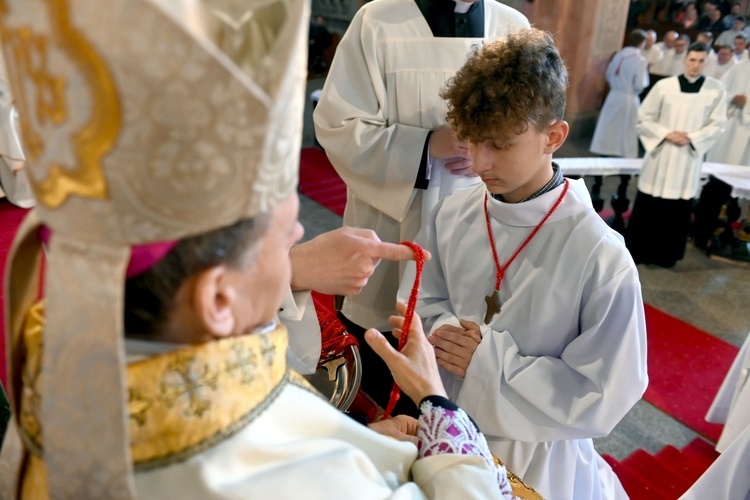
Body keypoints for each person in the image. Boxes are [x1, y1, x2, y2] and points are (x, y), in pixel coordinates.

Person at [0, 2, 520, 497]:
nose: (297, 239)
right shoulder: (303, 477)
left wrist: (363, 440)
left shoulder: (69, 361)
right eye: (283, 233)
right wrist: (437, 404)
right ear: (217, 301)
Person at [399, 28, 648, 500]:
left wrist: (489, 361)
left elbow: (606, 392)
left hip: (537, 454)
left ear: (553, 136)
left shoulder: (600, 255)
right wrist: (444, 328)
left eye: (500, 144)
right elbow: (421, 298)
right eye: (472, 141)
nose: (480, 162)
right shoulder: (453, 212)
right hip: (447, 427)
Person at [312, 0, 529, 415]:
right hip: (396, 230)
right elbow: (338, 125)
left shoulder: (512, 26)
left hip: (482, 229)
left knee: (462, 364)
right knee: (379, 387)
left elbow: (532, 126)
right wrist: (428, 144)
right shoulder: (379, 20)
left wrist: (495, 151)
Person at [626, 42, 727, 268]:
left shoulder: (716, 89)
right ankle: (640, 251)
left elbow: (718, 124)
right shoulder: (665, 86)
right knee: (650, 201)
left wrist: (692, 137)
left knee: (678, 207)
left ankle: (666, 255)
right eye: (692, 60)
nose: (695, 65)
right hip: (661, 153)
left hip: (687, 158)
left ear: (707, 62)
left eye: (701, 61)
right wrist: (666, 133)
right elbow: (644, 117)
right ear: (685, 60)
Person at [693, 59, 750, 254]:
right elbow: (718, 92)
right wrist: (734, 97)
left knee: (741, 192)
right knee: (717, 185)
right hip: (731, 134)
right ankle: (705, 233)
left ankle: (734, 233)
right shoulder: (738, 67)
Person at [590, 29, 649, 158]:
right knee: (626, 130)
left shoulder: (618, 55)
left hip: (614, 95)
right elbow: (640, 83)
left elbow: (608, 75)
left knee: (609, 126)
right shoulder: (640, 59)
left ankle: (604, 152)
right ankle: (623, 156)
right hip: (628, 97)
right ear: (642, 43)